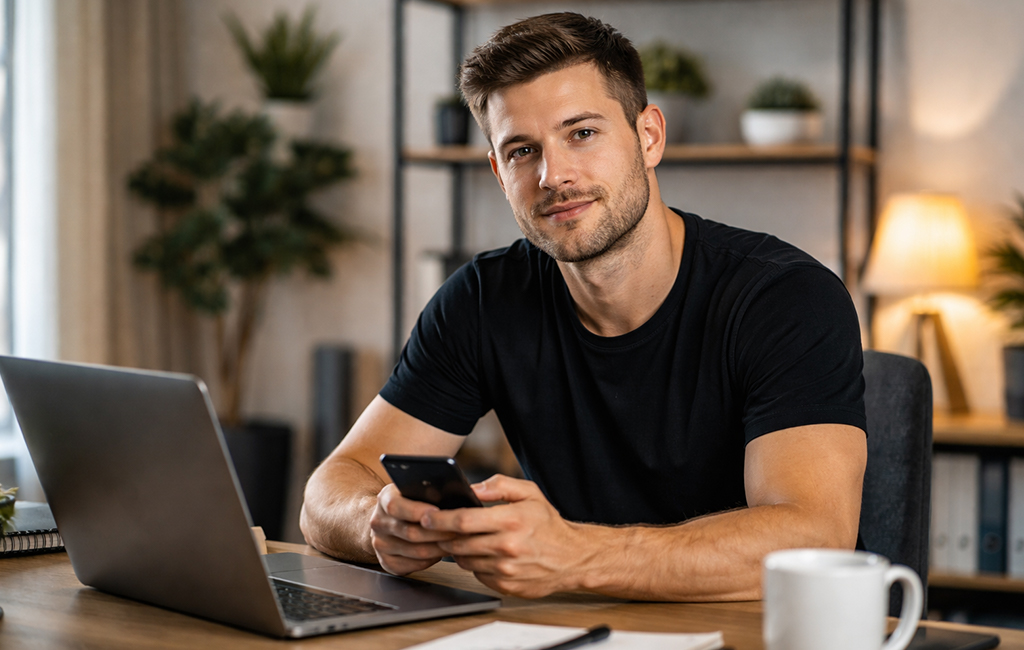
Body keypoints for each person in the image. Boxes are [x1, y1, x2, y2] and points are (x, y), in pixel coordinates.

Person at [301, 12, 867, 602]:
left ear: (648, 137)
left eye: (582, 133)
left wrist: (572, 554)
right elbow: (329, 491)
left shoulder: (784, 298)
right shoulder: (482, 299)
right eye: (522, 150)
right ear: (498, 172)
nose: (554, 175)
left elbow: (815, 537)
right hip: (572, 629)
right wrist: (379, 525)